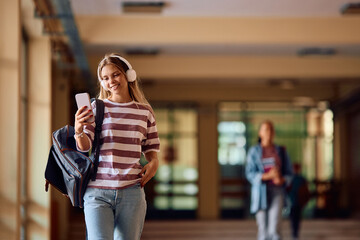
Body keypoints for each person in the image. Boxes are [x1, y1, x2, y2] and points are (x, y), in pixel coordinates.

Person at [74, 53, 160, 240]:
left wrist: (154, 163)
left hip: (132, 192)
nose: (111, 81)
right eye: (105, 78)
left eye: (115, 74)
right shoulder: (96, 107)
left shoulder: (144, 111)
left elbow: (152, 147)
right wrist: (79, 130)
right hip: (98, 192)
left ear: (128, 75)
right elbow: (84, 146)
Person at [246, 120, 293, 240]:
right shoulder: (254, 152)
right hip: (260, 193)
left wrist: (282, 180)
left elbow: (289, 174)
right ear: (260, 132)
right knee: (263, 230)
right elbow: (249, 173)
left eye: (271, 129)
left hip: (277, 191)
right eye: (266, 129)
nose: (269, 132)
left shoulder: (281, 151)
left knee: (275, 229)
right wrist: (268, 176)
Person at [287, 163, 310, 240]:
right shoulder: (291, 179)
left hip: (297, 201)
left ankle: (295, 233)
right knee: (294, 218)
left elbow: (306, 191)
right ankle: (294, 233)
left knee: (296, 218)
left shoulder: (300, 179)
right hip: (292, 202)